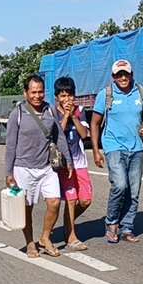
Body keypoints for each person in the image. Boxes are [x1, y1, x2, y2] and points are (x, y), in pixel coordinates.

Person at [5, 74, 72, 258]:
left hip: (46, 167)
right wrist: (9, 173)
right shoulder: (17, 114)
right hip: (23, 168)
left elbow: (59, 136)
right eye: (33, 92)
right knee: (26, 207)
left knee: (54, 202)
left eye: (40, 91)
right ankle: (29, 243)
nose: (37, 96)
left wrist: (69, 161)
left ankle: (44, 237)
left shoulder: (50, 110)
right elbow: (10, 145)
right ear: (26, 93)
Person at [90, 59, 143, 244]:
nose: (123, 77)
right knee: (120, 185)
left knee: (133, 191)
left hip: (136, 148)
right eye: (119, 74)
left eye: (126, 73)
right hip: (114, 147)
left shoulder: (140, 93)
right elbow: (95, 123)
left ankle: (127, 228)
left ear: (132, 74)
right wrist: (96, 151)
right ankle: (111, 224)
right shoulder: (106, 94)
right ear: (113, 77)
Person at [54, 76, 93, 252]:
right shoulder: (52, 112)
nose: (66, 99)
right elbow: (57, 135)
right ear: (57, 97)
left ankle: (67, 222)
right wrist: (65, 116)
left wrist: (74, 117)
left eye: (69, 95)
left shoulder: (80, 110)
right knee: (71, 199)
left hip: (80, 162)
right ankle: (71, 237)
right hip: (64, 164)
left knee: (85, 200)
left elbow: (85, 134)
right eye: (62, 96)